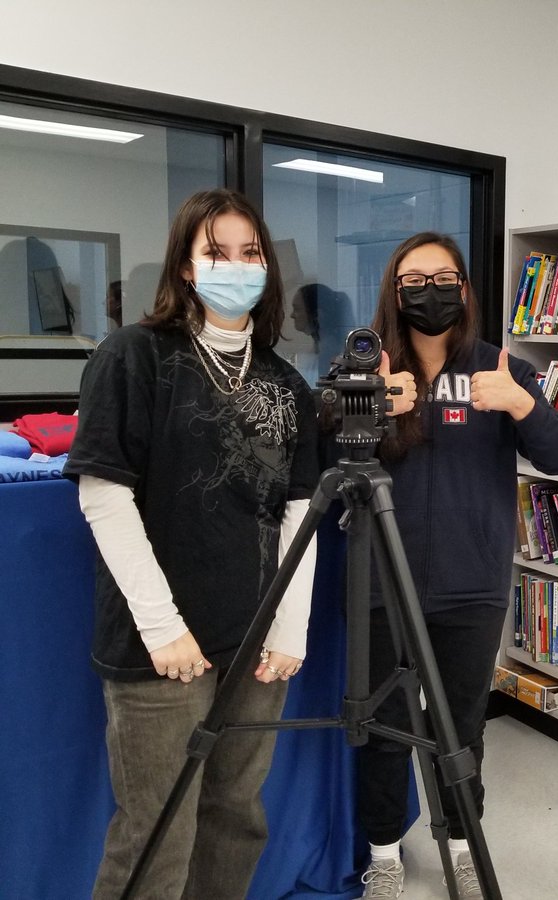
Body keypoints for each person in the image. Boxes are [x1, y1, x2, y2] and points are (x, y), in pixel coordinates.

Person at [64, 188, 319, 899]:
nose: (235, 266)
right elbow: (104, 495)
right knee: (155, 833)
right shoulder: (134, 356)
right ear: (185, 264)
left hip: (254, 644)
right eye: (216, 252)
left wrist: (288, 627)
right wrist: (162, 627)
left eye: (250, 253)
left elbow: (299, 512)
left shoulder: (285, 384)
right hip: (159, 647)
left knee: (236, 817)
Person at [352, 232, 558, 899]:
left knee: (461, 726)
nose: (430, 291)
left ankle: (462, 843)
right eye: (414, 281)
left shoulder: (502, 368)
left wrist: (521, 403)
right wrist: (372, 407)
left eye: (443, 278)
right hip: (380, 583)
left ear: (465, 288)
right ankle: (384, 854)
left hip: (471, 583)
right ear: (394, 291)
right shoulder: (366, 366)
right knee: (385, 729)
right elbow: (322, 464)